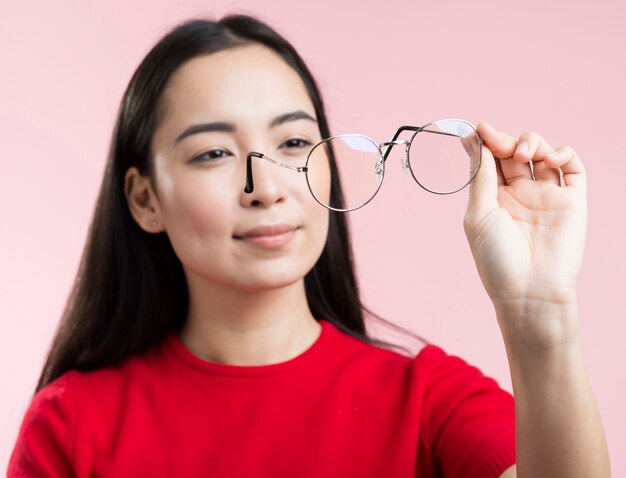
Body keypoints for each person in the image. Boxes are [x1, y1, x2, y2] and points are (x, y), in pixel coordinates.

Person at [8, 14, 610, 478]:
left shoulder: (427, 400)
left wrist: (540, 315)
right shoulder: (71, 426)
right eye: (214, 153)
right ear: (144, 200)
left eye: (295, 142)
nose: (265, 188)